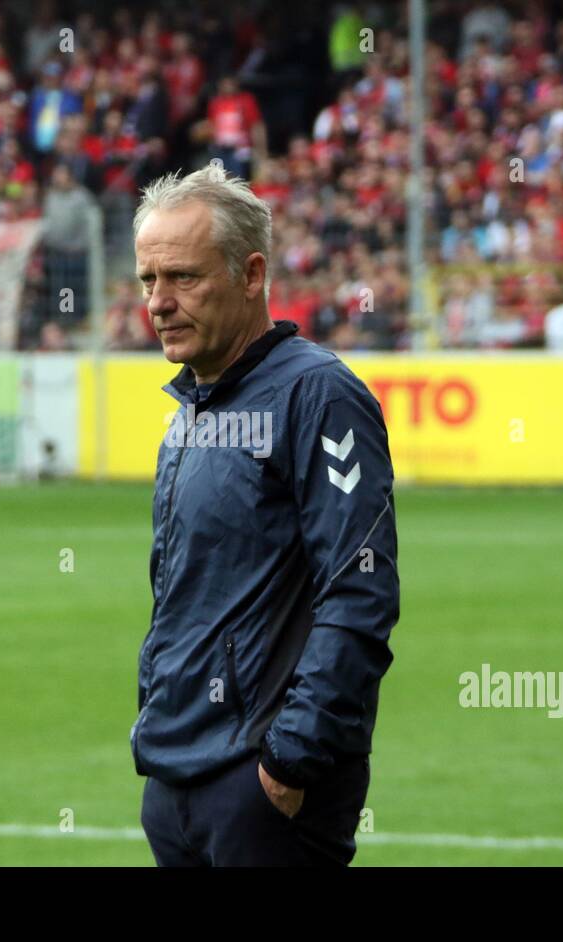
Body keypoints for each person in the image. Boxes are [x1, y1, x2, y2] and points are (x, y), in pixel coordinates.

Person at [130, 164, 400, 866]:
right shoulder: (189, 410)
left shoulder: (319, 397)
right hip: (176, 772)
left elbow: (360, 589)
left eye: (183, 278)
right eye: (148, 281)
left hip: (266, 786)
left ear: (251, 275)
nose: (159, 302)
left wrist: (291, 760)